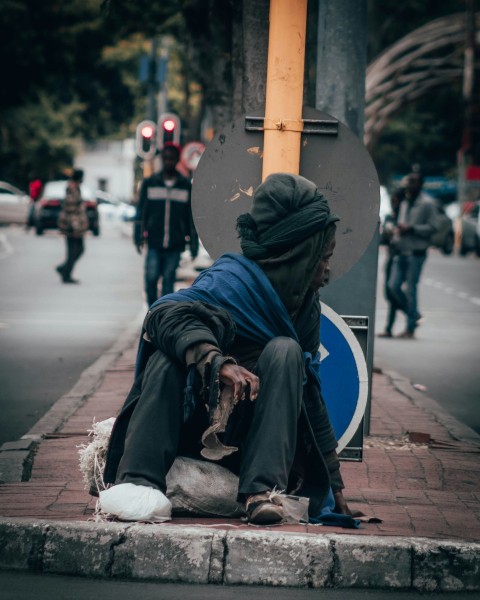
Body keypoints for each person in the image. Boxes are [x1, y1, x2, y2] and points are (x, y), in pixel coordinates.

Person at [100, 173, 354, 526]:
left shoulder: (305, 308)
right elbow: (163, 314)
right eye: (323, 258)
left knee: (286, 351)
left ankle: (260, 493)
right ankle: (139, 481)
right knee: (169, 355)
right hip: (194, 430)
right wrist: (215, 361)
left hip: (249, 448)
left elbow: (310, 392)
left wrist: (333, 483)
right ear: (299, 253)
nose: (326, 271)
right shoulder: (231, 282)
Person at [134, 143, 199, 306]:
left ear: (177, 160)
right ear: (162, 159)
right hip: (154, 242)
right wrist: (138, 235)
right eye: (166, 158)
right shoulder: (150, 183)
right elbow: (141, 212)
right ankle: (152, 310)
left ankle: (163, 316)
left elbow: (191, 218)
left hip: (175, 244)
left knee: (168, 282)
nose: (169, 161)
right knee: (150, 278)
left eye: (172, 158)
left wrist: (193, 244)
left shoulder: (185, 186)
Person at [385, 172, 438, 339]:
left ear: (421, 185)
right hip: (400, 251)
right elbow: (398, 221)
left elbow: (432, 227)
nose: (410, 185)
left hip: (416, 253)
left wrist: (412, 228)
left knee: (411, 290)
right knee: (392, 287)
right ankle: (413, 315)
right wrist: (396, 232)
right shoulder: (404, 202)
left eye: (414, 182)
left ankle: (410, 328)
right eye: (409, 182)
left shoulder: (427, 204)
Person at [56, 169, 88, 284]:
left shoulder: (75, 187)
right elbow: (70, 208)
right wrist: (74, 226)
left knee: (78, 250)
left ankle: (64, 270)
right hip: (72, 226)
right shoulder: (72, 188)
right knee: (74, 251)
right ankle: (66, 274)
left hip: (76, 226)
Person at [377, 189, 402, 338]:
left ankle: (411, 313)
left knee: (393, 290)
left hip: (401, 257)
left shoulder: (404, 216)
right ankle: (390, 327)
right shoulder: (390, 217)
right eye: (392, 201)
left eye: (396, 201)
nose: (393, 204)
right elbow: (383, 240)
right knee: (389, 292)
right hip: (391, 256)